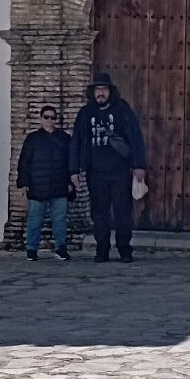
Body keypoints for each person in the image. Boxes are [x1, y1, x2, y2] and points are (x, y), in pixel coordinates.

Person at [70, 73, 147, 263]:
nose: (101, 93)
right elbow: (77, 141)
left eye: (104, 89)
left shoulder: (122, 110)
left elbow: (135, 137)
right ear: (92, 92)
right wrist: (74, 170)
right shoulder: (85, 113)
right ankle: (102, 250)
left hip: (120, 171)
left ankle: (124, 250)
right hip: (95, 172)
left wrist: (139, 165)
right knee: (99, 213)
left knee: (122, 212)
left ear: (110, 92)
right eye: (98, 90)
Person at [17, 105, 73, 261]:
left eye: (52, 117)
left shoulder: (64, 138)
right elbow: (24, 162)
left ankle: (61, 248)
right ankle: (31, 249)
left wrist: (70, 182)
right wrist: (24, 182)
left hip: (59, 184)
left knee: (60, 218)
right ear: (41, 118)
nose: (49, 120)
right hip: (37, 185)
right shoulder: (32, 139)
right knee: (35, 218)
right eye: (46, 117)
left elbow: (71, 162)